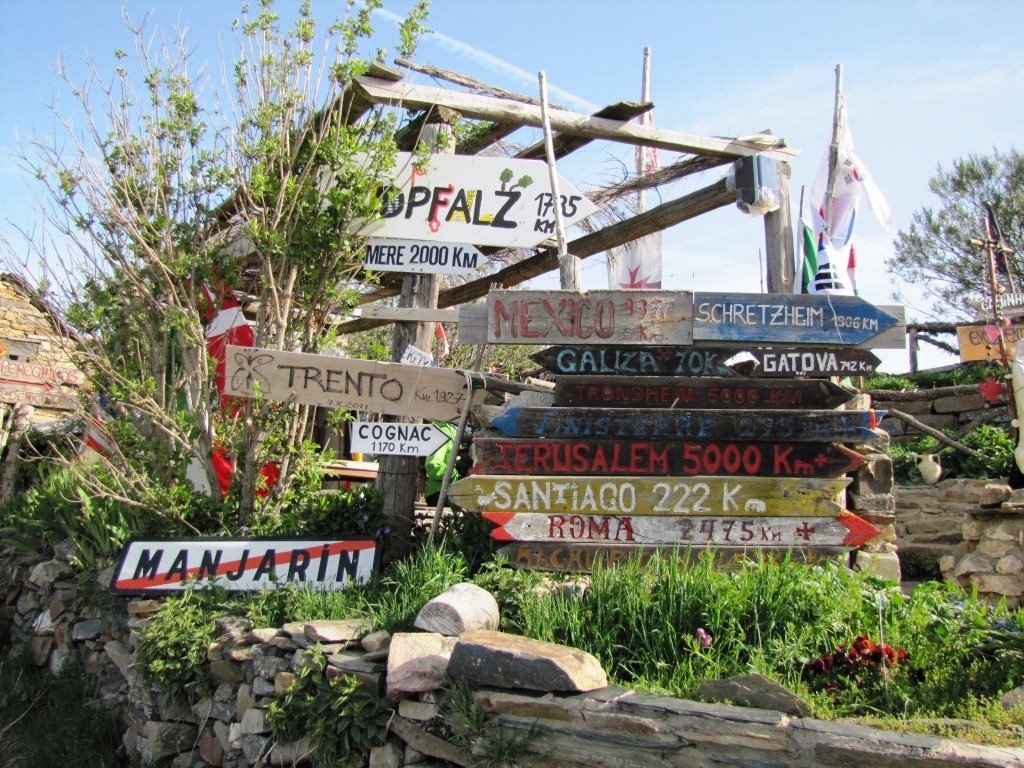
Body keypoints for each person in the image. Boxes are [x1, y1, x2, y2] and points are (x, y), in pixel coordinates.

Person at [424, 421, 459, 508]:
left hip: (453, 489)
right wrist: (455, 473)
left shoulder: (456, 431)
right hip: (439, 492)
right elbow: (433, 465)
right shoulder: (444, 432)